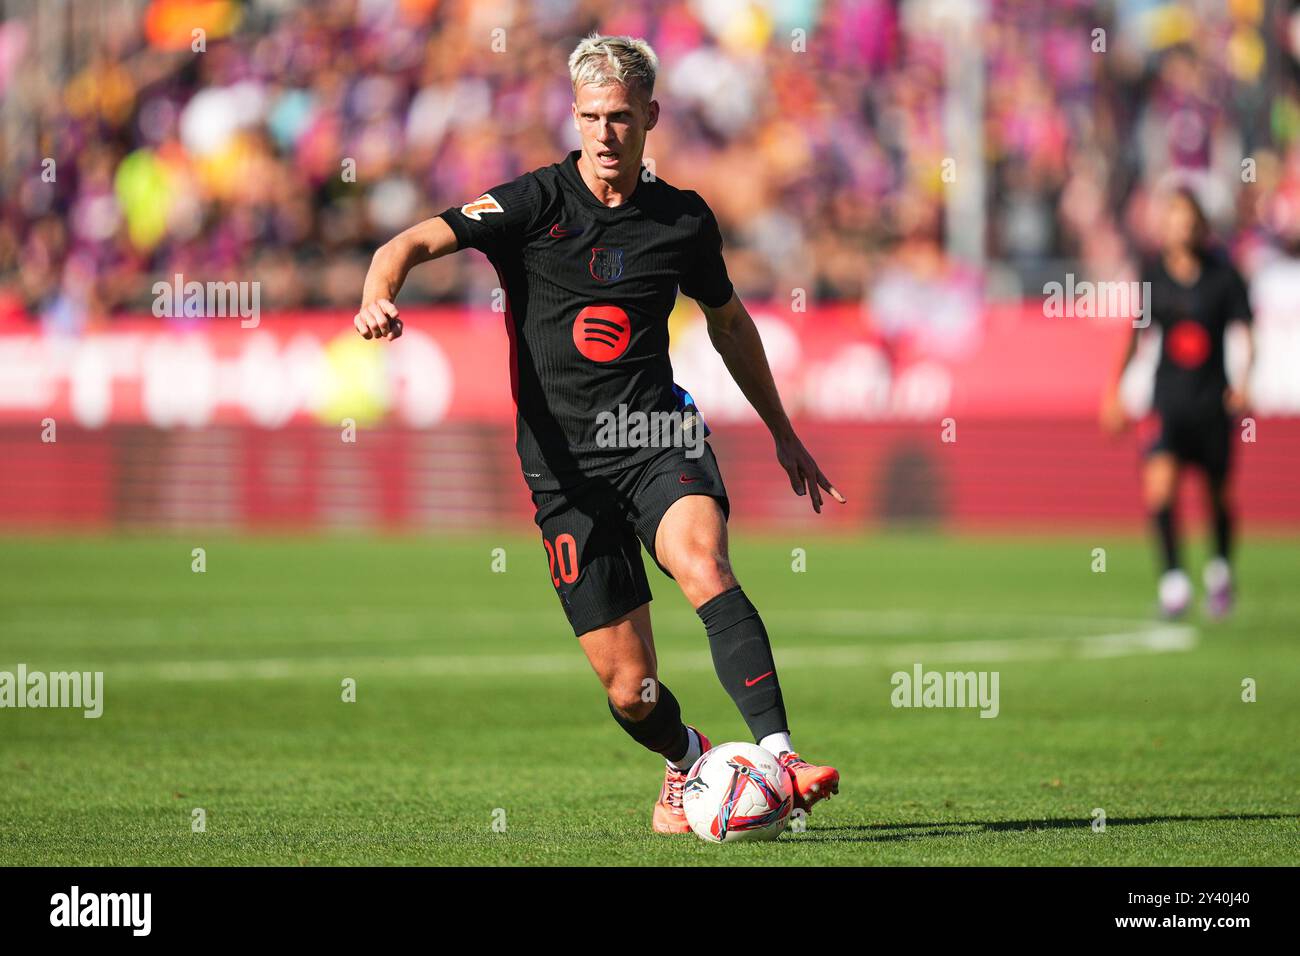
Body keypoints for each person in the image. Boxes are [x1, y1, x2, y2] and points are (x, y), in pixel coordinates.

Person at [355, 34, 844, 833]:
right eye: (589, 117)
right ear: (572, 116)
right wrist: (380, 296)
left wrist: (783, 431)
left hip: (656, 437)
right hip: (563, 476)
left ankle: (782, 756)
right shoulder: (532, 204)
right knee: (629, 690)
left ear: (651, 116)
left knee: (703, 563)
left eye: (620, 117)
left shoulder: (682, 221)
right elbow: (404, 243)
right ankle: (686, 759)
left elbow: (729, 325)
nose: (604, 133)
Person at [1102, 186, 1254, 618]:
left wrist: (1243, 382)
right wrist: (1113, 388)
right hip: (1168, 401)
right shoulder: (1154, 277)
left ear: (1199, 225)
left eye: (1186, 219)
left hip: (1212, 402)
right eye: (1171, 219)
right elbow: (1136, 336)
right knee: (1159, 489)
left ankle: (1221, 572)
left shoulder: (1223, 276)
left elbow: (1245, 332)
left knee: (1218, 497)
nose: (1178, 227)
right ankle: (1173, 582)